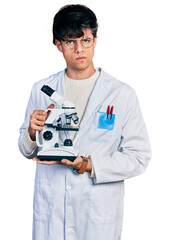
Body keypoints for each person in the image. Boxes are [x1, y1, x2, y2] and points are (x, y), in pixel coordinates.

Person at [18, 4, 151, 240]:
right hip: (52, 211)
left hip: (97, 214)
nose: (79, 49)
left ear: (95, 39)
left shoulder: (121, 94)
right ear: (58, 44)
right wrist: (31, 131)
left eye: (85, 40)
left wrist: (88, 165)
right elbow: (27, 149)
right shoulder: (42, 90)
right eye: (70, 41)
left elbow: (138, 157)